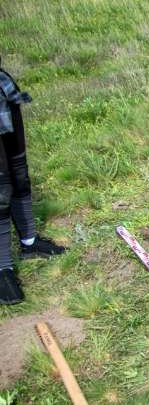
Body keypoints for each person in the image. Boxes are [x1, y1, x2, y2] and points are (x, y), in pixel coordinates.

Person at [0, 59, 66, 304]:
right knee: (1, 188)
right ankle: (3, 269)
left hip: (3, 92)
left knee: (19, 173)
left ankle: (29, 242)